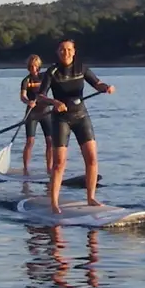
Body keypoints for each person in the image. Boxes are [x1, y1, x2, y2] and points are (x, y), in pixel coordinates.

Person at [38, 39, 113, 212]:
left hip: (81, 116)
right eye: (63, 50)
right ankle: (54, 203)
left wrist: (105, 87)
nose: (66, 53)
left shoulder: (82, 68)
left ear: (74, 51)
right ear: (58, 52)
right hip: (61, 119)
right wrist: (54, 102)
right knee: (59, 163)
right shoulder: (52, 72)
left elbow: (97, 83)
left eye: (69, 49)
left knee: (92, 159)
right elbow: (40, 96)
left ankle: (91, 198)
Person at [18, 54, 50, 180]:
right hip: (32, 113)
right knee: (30, 141)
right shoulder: (26, 80)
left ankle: (50, 168)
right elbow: (22, 96)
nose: (33, 68)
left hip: (46, 111)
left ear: (38, 66)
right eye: (31, 66)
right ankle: (25, 169)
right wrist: (28, 102)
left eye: (35, 66)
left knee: (50, 141)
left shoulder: (44, 77)